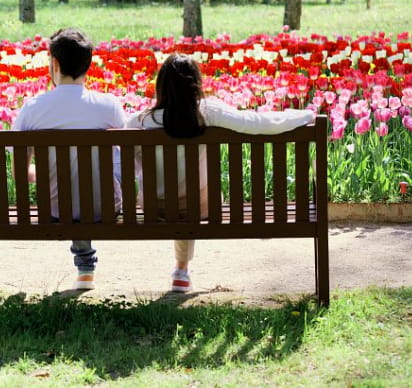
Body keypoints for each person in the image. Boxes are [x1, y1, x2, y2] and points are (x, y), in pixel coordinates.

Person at [125, 54, 315, 293]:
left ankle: (181, 271)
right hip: (201, 207)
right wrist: (304, 115)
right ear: (196, 85)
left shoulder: (138, 121)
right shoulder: (208, 112)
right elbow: (256, 123)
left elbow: (127, 168)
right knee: (192, 193)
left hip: (154, 208)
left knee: (176, 192)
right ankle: (181, 270)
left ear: (160, 87)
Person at [11, 28, 126, 290]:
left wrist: (44, 174)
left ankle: (85, 264)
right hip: (104, 207)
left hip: (54, 209)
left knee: (66, 182)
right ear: (89, 64)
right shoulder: (109, 105)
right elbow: (128, 155)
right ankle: (86, 266)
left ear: (55, 63)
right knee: (100, 171)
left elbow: (20, 172)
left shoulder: (33, 108)